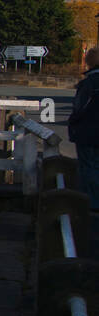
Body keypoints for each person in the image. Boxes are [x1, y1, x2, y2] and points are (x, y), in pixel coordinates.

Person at [68, 46, 99, 208]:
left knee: (89, 168)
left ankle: (92, 204)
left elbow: (79, 108)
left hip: (88, 133)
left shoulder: (88, 84)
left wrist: (73, 125)